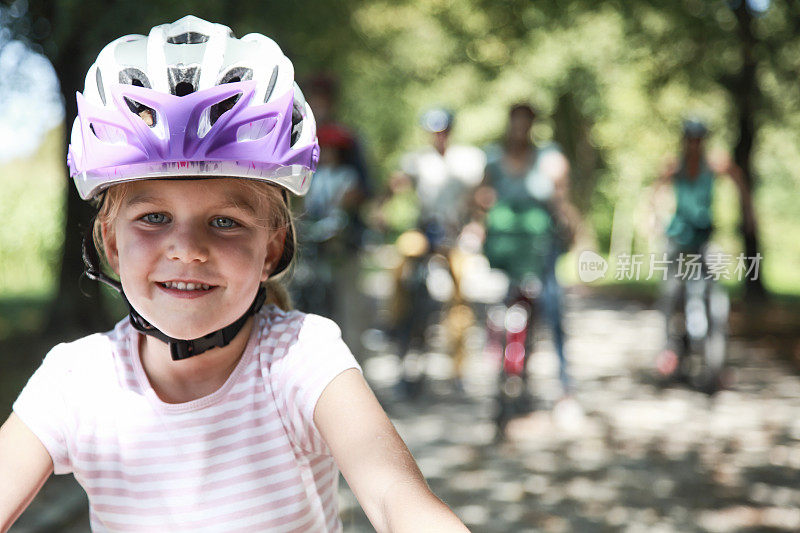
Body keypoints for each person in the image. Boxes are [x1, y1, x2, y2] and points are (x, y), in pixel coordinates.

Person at [0, 17, 468, 532]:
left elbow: (396, 498)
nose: (188, 250)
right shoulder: (75, 382)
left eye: (225, 222)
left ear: (272, 248)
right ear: (111, 243)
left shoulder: (299, 358)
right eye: (153, 218)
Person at [476, 103, 581, 399]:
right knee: (498, 305)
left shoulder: (548, 157)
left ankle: (565, 386)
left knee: (553, 305)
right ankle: (498, 364)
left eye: (526, 122)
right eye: (516, 122)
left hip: (540, 246)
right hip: (505, 248)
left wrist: (572, 227)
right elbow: (480, 199)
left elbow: (561, 198)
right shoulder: (493, 159)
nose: (520, 128)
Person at [391, 108, 486, 393]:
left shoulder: (468, 161)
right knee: (399, 261)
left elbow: (480, 197)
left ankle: (458, 369)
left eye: (443, 131)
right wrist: (382, 205)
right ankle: (394, 320)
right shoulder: (419, 160)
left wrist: (476, 225)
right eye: (434, 132)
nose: (439, 137)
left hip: (454, 235)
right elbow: (397, 182)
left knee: (460, 293)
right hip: (425, 231)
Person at [654, 118, 756, 379]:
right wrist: (653, 217)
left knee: (715, 296)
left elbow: (739, 180)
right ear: (684, 140)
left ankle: (715, 360)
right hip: (678, 238)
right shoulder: (675, 165)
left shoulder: (713, 163)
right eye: (690, 138)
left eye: (699, 138)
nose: (694, 143)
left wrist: (747, 212)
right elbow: (656, 190)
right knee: (670, 294)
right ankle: (669, 351)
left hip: (704, 238)